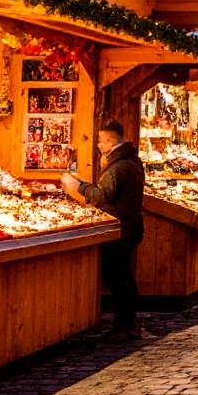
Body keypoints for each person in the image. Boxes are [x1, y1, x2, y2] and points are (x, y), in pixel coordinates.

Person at [61, 121, 144, 341]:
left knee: (116, 278)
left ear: (109, 141)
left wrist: (76, 186)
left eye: (100, 140)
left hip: (118, 228)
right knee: (124, 277)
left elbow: (102, 194)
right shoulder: (131, 161)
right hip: (129, 225)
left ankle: (123, 327)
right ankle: (129, 324)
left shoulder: (119, 166)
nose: (97, 144)